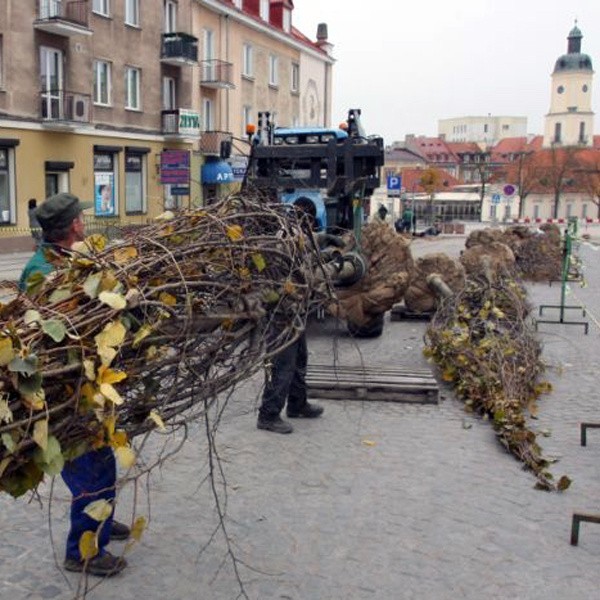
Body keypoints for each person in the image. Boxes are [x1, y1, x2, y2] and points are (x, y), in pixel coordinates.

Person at [19, 192, 130, 577]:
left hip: (86, 385)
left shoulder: (69, 260)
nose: (85, 222)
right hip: (64, 390)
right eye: (80, 218)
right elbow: (49, 331)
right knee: (89, 466)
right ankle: (82, 551)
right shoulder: (41, 270)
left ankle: (99, 518)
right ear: (72, 227)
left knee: (103, 457)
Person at [256, 198, 324, 434]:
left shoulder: (295, 236)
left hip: (295, 311)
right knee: (283, 363)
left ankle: (297, 404)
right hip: (282, 313)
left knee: (300, 358)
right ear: (306, 218)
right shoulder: (287, 239)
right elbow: (297, 275)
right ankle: (268, 414)